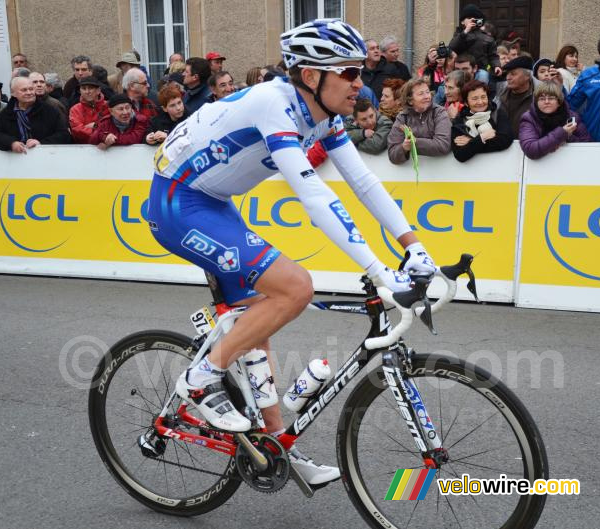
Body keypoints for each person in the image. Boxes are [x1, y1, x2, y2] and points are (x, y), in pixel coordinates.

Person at [147, 19, 437, 485]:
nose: (361, 83)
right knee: (294, 288)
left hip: (214, 203)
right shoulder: (273, 104)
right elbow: (314, 195)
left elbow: (362, 181)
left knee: (258, 320)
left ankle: (273, 447)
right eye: (350, 72)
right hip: (177, 203)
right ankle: (199, 379)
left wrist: (417, 249)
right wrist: (380, 272)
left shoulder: (324, 115)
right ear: (311, 77)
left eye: (361, 71)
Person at [0, 76, 72, 152]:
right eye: (24, 90)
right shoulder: (5, 114)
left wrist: (41, 143)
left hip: (46, 157)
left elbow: (64, 134)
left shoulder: (49, 110)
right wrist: (11, 143)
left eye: (31, 89)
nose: (29, 92)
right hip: (16, 159)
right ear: (13, 93)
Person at [519, 81, 591, 159]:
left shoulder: (571, 116)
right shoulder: (529, 118)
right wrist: (562, 133)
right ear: (536, 102)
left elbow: (588, 145)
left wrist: (569, 137)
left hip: (570, 162)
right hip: (540, 166)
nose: (546, 102)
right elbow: (530, 149)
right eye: (542, 99)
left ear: (559, 102)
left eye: (551, 98)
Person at [387, 78, 452, 164]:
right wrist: (404, 147)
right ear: (410, 101)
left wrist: (415, 142)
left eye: (427, 92)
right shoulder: (402, 118)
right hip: (410, 175)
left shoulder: (439, 112)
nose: (427, 96)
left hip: (441, 172)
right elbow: (392, 154)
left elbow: (443, 145)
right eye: (421, 94)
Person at [452, 79, 514, 162]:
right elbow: (460, 154)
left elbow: (505, 140)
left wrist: (471, 142)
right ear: (466, 103)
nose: (480, 102)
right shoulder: (459, 120)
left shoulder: (497, 113)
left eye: (483, 97)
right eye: (474, 98)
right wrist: (482, 137)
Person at [449, 4, 501, 84]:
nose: (472, 20)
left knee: (483, 75)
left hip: (480, 70)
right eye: (469, 18)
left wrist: (497, 66)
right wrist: (465, 32)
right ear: (462, 21)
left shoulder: (486, 37)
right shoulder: (459, 35)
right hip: (462, 69)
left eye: (475, 19)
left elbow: (493, 56)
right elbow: (452, 47)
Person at [496, 56, 535, 138]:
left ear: (527, 76)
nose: (508, 77)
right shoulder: (500, 93)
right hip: (503, 147)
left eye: (513, 74)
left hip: (529, 145)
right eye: (507, 74)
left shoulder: (539, 95)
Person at [69, 76, 109, 143]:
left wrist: (93, 126)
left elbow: (113, 129)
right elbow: (77, 131)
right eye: (84, 89)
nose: (87, 92)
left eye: (90, 88)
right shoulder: (75, 109)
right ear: (80, 91)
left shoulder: (109, 106)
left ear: (98, 90)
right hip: (82, 148)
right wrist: (101, 134)